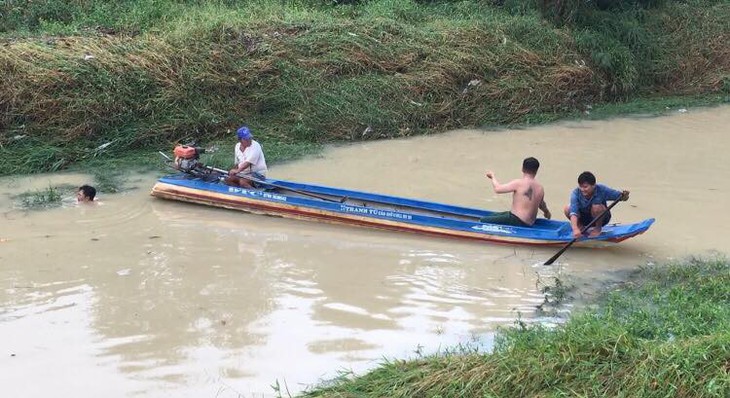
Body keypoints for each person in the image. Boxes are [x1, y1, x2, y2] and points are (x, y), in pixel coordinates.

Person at [480, 157, 551, 227]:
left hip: (517, 220)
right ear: (536, 170)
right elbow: (541, 204)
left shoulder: (518, 183)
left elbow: (498, 189)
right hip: (529, 222)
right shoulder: (540, 188)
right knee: (493, 215)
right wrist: (547, 212)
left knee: (483, 220)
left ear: (522, 169)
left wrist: (492, 177)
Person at [564, 171, 629, 238]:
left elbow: (620, 196)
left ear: (594, 185)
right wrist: (575, 229)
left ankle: (598, 229)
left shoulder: (602, 189)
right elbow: (574, 213)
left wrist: (624, 196)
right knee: (567, 208)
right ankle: (580, 227)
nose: (582, 190)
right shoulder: (575, 193)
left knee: (596, 207)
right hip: (584, 218)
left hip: (601, 218)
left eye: (585, 187)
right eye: (580, 187)